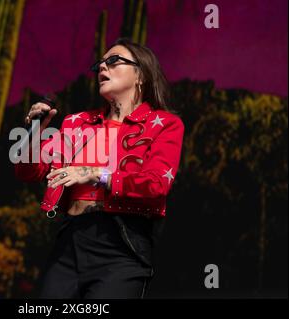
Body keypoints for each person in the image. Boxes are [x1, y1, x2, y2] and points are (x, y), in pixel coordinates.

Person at [14, 38, 184, 299]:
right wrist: (35, 132)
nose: (103, 67)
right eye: (100, 64)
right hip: (70, 242)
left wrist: (95, 172)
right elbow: (28, 172)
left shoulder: (164, 125)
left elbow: (156, 184)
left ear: (141, 74)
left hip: (121, 244)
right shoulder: (78, 123)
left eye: (114, 61)